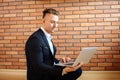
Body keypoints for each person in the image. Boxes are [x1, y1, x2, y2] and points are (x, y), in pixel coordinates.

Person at [25, 8, 83, 80]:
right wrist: (63, 70)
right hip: (41, 76)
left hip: (49, 72)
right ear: (43, 21)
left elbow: (48, 58)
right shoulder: (35, 39)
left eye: (57, 22)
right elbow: (38, 66)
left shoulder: (47, 37)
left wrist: (60, 61)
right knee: (75, 72)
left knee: (77, 70)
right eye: (52, 22)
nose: (55, 25)